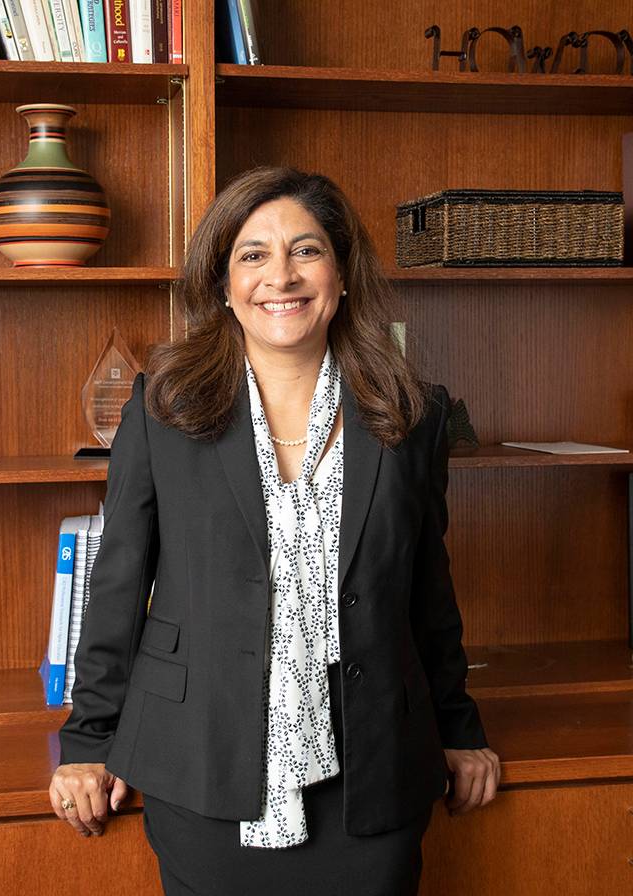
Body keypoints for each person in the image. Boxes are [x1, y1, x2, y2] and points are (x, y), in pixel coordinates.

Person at [49, 167, 500, 895]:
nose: (281, 276)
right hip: (203, 761)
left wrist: (460, 729)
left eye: (306, 250)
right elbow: (119, 582)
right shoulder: (164, 406)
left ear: (343, 272)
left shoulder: (412, 413)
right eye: (253, 255)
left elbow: (426, 591)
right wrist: (89, 739)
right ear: (224, 284)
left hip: (373, 770)